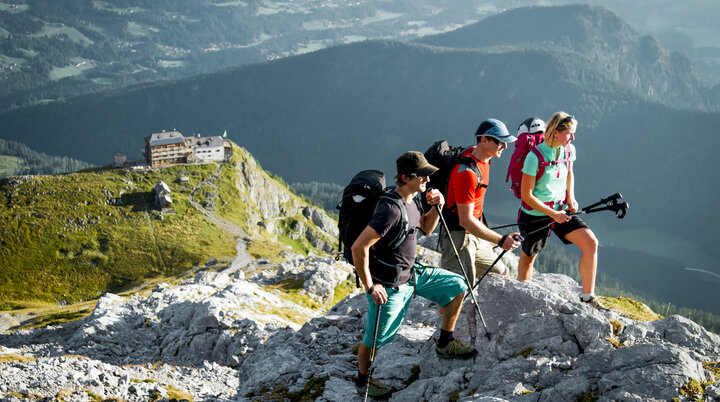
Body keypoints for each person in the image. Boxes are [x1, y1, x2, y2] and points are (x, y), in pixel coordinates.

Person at [352, 151, 478, 397]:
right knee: (376, 338)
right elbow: (359, 247)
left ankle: (445, 343)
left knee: (457, 285)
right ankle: (362, 381)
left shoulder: (414, 200)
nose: (427, 181)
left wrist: (436, 206)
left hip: (412, 274)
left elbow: (427, 228)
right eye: (422, 176)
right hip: (390, 284)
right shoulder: (390, 209)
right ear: (406, 177)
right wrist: (370, 287)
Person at [515, 111, 606, 310]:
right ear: (555, 132)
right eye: (569, 133)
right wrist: (553, 214)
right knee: (529, 257)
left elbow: (569, 173)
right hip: (535, 214)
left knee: (591, 243)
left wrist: (570, 196)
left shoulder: (568, 150)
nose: (573, 138)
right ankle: (521, 297)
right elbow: (526, 195)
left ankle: (588, 297)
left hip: (561, 209)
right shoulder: (534, 156)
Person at [440, 119, 521, 286]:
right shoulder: (467, 173)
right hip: (459, 237)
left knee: (500, 273)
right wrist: (501, 240)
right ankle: (442, 311)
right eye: (500, 141)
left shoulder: (482, 158)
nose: (505, 147)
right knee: (458, 289)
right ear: (484, 139)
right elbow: (465, 220)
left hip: (474, 234)